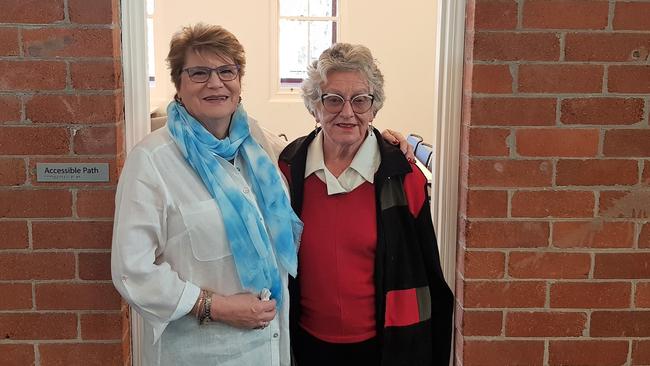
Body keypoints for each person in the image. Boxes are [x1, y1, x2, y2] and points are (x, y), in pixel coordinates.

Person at [111, 24, 412, 365]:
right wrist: (215, 307)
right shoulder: (151, 160)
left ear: (239, 80)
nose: (215, 82)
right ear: (178, 84)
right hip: (201, 349)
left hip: (273, 345)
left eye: (227, 71)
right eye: (199, 73)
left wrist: (380, 144)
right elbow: (131, 271)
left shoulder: (255, 143)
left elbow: (318, 150)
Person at [278, 43, 454, 366]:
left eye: (360, 100)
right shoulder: (288, 169)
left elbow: (429, 277)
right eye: (333, 99)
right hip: (305, 345)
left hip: (385, 348)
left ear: (374, 108)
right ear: (314, 107)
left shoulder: (402, 176)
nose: (347, 112)